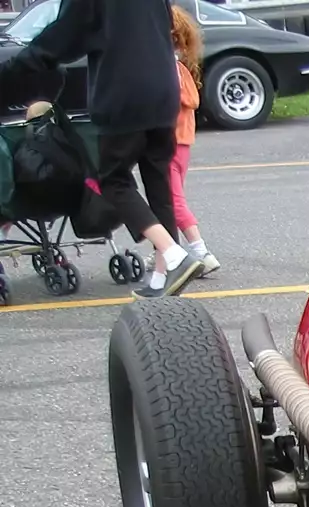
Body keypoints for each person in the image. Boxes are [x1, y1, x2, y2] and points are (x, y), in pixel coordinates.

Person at [0, 0, 203, 297]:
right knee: (159, 183)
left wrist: (10, 71)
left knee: (113, 180)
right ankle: (162, 277)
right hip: (164, 92)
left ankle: (173, 254)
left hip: (123, 95)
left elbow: (61, 41)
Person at [169, 4, 218, 274]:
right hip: (183, 144)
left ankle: (201, 252)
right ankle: (164, 250)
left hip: (168, 143)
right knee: (167, 199)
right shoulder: (182, 68)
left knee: (172, 200)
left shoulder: (164, 69)